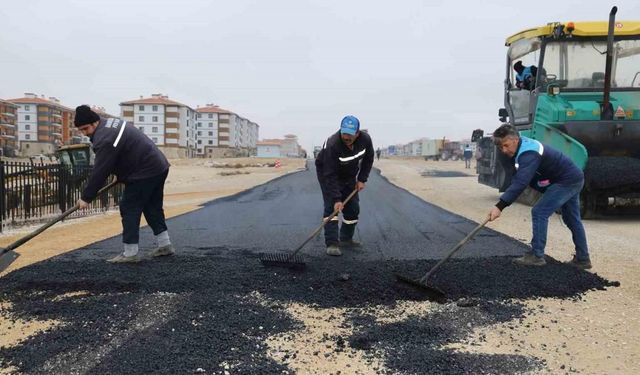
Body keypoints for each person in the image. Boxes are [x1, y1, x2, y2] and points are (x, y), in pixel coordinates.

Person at [74, 105, 174, 263]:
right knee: (151, 206)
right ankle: (165, 245)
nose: (85, 134)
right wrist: (121, 175)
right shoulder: (110, 123)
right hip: (158, 166)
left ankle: (130, 253)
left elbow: (101, 170)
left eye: (86, 129)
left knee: (129, 207)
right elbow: (124, 152)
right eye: (81, 131)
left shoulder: (105, 138)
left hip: (145, 170)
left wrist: (86, 197)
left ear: (95, 122)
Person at [487, 124, 591, 269]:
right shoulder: (519, 147)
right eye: (500, 147)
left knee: (539, 211)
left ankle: (536, 255)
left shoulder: (529, 153)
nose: (504, 150)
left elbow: (521, 182)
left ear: (515, 140)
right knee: (572, 219)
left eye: (506, 145)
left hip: (566, 180)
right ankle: (583, 259)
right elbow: (516, 176)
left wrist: (500, 206)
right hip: (572, 177)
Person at [315, 115, 375, 256]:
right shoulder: (333, 144)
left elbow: (369, 158)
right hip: (327, 173)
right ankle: (332, 243)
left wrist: (362, 179)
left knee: (353, 208)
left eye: (350, 134)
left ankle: (346, 238)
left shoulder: (365, 140)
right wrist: (336, 198)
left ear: (357, 133)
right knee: (332, 208)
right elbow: (330, 174)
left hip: (349, 174)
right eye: (344, 133)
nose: (346, 137)